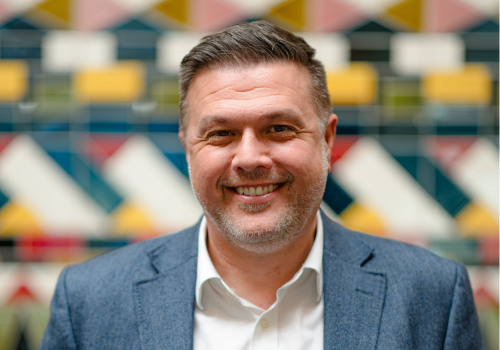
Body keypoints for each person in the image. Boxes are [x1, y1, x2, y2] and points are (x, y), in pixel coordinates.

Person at [39, 20, 483, 349]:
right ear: (188, 146)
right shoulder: (89, 302)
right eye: (221, 134)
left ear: (327, 139)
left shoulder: (433, 296)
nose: (250, 158)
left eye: (279, 129)